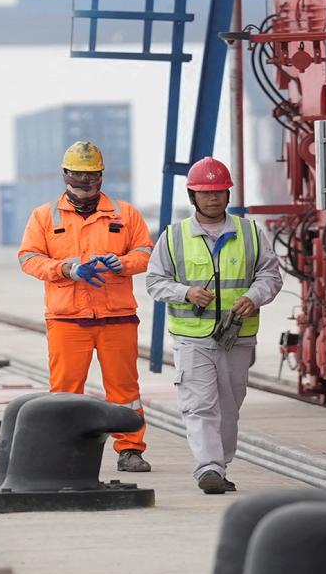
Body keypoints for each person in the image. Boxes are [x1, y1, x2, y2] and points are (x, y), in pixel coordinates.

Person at [143, 157, 282, 494]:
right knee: (200, 404)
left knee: (229, 407)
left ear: (228, 193)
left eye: (219, 191)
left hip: (237, 336)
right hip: (192, 337)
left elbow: (271, 275)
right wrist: (185, 292)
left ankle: (221, 463)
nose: (213, 198)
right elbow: (154, 281)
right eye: (206, 193)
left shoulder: (250, 232)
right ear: (192, 196)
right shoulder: (174, 237)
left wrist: (254, 296)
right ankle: (208, 468)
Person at [17, 140, 155, 472]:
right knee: (65, 390)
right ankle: (62, 448)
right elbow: (28, 258)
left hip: (116, 317)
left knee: (124, 390)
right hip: (68, 319)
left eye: (92, 174)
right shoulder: (44, 216)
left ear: (102, 176)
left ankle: (130, 449)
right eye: (78, 174)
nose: (86, 181)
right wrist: (66, 269)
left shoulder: (125, 214)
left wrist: (120, 264)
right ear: (65, 174)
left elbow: (146, 253)